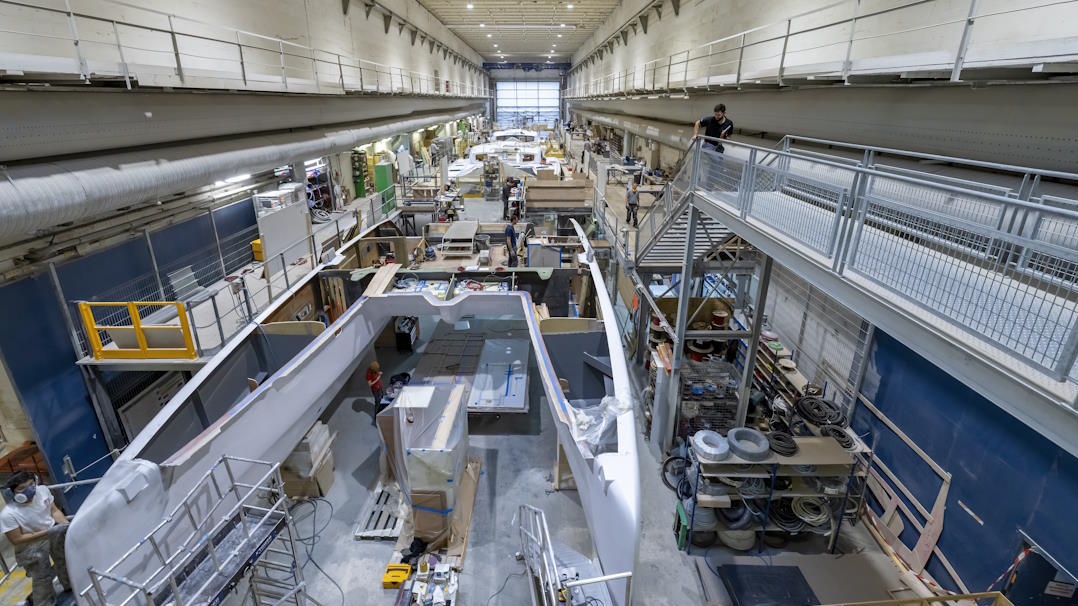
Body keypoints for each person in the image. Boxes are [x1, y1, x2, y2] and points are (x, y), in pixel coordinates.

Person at [2, 472, 71, 606]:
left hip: (52, 532)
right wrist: (48, 532)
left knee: (65, 560)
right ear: (12, 493)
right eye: (22, 489)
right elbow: (17, 539)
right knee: (42, 577)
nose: (30, 490)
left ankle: (70, 585)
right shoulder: (8, 514)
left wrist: (65, 526)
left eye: (31, 484)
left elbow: (54, 511)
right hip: (29, 544)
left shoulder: (42, 491)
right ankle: (44, 603)